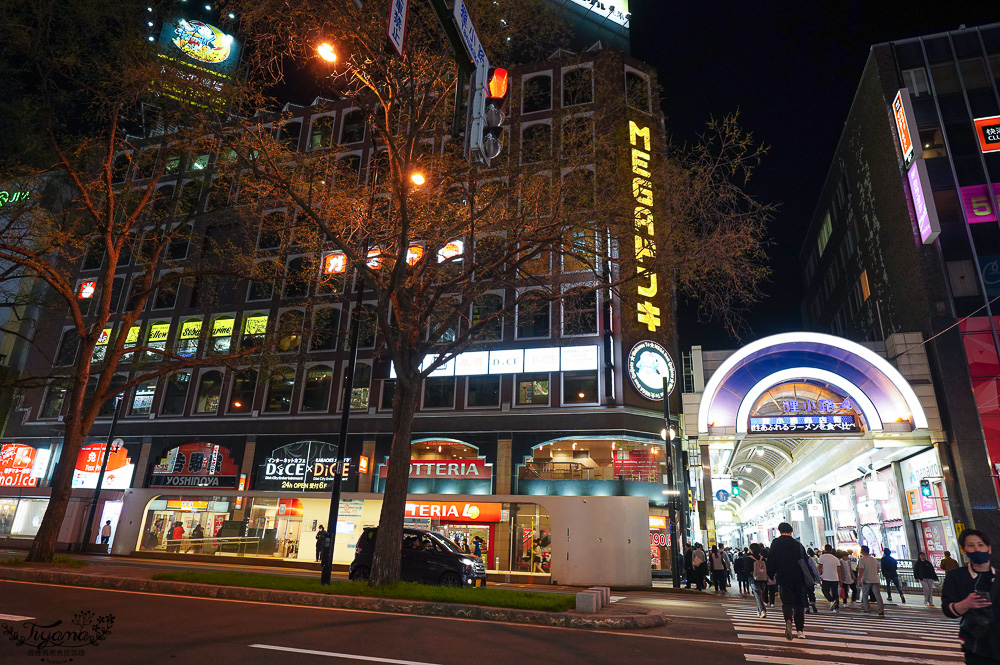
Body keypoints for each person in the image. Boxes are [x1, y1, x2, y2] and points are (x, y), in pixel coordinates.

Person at [941, 529, 999, 664]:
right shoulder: (956, 576)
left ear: (988, 549)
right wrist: (966, 604)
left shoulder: (997, 576)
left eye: (980, 545)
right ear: (964, 550)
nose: (976, 549)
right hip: (976, 646)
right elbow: (947, 609)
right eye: (971, 545)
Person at [767, 522, 809, 640]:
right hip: (798, 578)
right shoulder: (798, 545)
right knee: (799, 604)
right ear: (791, 532)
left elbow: (771, 560)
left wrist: (770, 575)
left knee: (787, 603)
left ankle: (788, 621)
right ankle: (800, 631)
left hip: (783, 577)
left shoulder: (775, 544)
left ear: (779, 531)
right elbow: (805, 561)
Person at [857, 545, 886, 617]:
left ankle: (867, 609)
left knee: (865, 594)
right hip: (875, 579)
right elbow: (877, 570)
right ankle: (881, 610)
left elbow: (861, 570)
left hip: (866, 579)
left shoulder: (862, 559)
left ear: (862, 551)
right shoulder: (874, 559)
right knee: (878, 595)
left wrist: (859, 579)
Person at [818, 544, 843, 612]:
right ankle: (836, 607)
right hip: (835, 578)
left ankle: (832, 601)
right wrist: (840, 579)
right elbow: (839, 570)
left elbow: (819, 567)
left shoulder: (822, 557)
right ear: (831, 550)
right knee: (835, 593)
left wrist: (817, 576)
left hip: (826, 577)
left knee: (825, 590)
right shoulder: (835, 558)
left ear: (825, 549)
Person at [749, 543, 769, 618]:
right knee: (760, 595)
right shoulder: (763, 559)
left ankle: (763, 610)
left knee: (758, 594)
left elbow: (747, 570)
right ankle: (759, 611)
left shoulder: (749, 559)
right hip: (763, 579)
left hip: (754, 579)